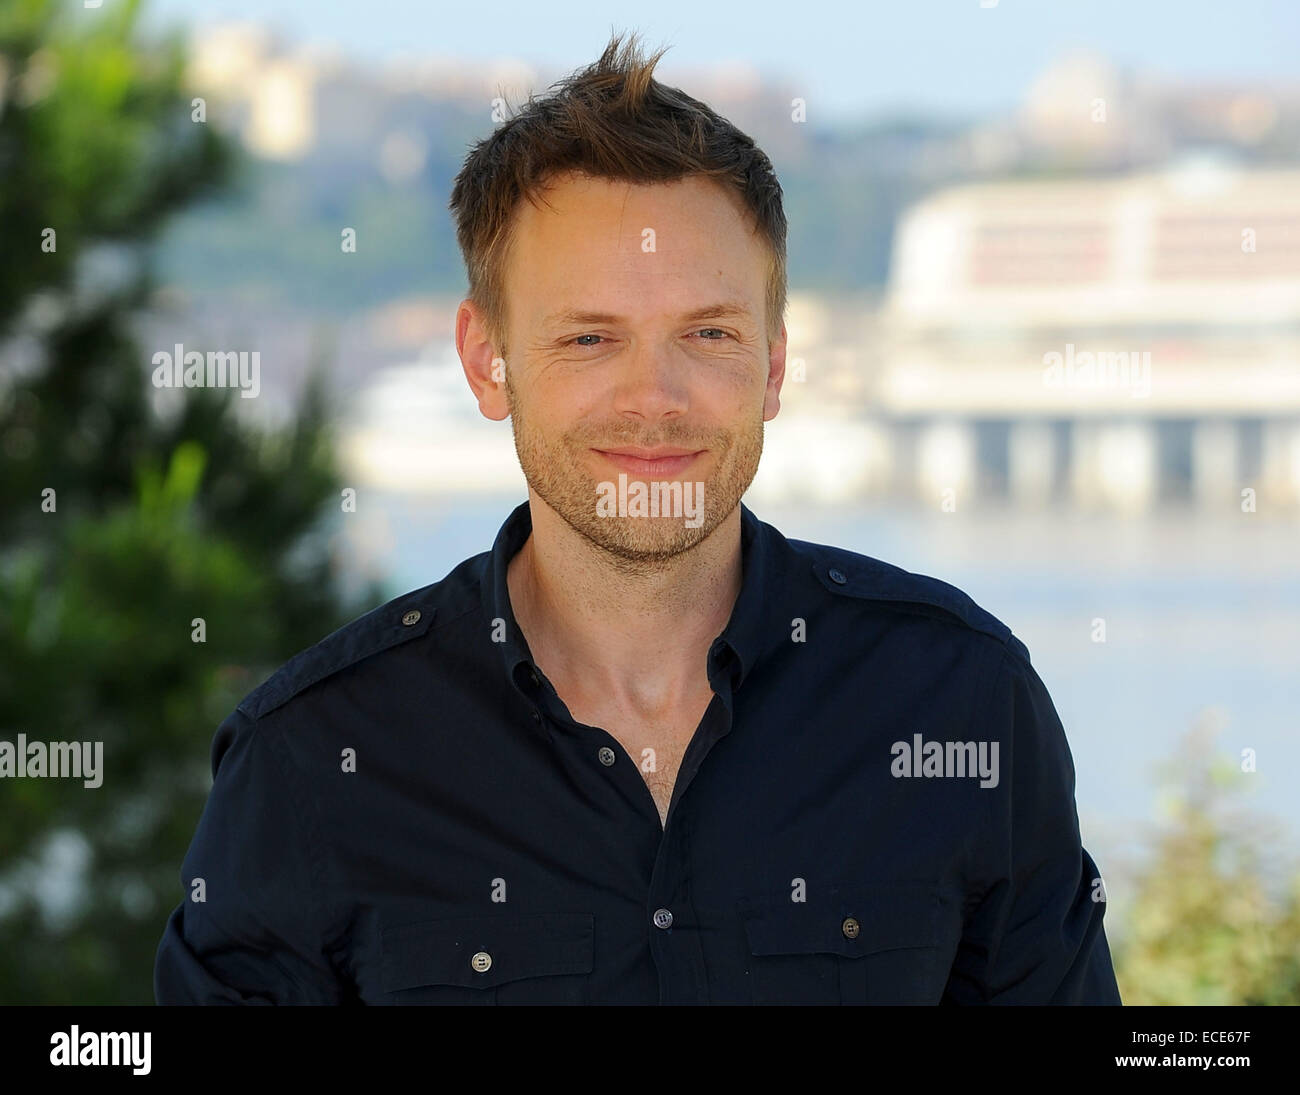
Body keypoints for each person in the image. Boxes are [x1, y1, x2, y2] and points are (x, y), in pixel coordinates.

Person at [154, 31, 1121, 1005]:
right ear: (487, 361)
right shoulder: (310, 760)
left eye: (707, 333)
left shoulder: (957, 700)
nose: (653, 398)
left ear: (774, 365)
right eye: (588, 338)